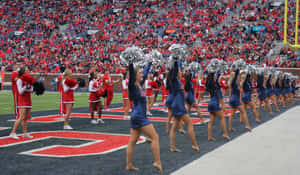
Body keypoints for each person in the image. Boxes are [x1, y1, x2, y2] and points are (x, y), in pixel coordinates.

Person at [126, 60, 162, 173]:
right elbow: (131, 74)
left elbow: (146, 73)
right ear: (135, 75)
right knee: (155, 137)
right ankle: (157, 161)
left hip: (137, 115)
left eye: (142, 73)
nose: (142, 75)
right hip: (139, 116)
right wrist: (131, 62)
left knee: (132, 141)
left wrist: (150, 63)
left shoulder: (139, 85)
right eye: (140, 73)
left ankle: (129, 165)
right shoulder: (132, 85)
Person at [169, 61, 199, 153]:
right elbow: (174, 70)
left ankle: (172, 147)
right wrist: (176, 60)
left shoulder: (178, 81)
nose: (181, 72)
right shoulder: (174, 81)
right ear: (177, 72)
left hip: (178, 105)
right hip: (179, 106)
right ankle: (194, 145)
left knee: (174, 127)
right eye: (180, 71)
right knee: (189, 124)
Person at [9, 66, 34, 139]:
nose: (28, 71)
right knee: (21, 117)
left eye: (28, 70)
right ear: (23, 72)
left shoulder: (29, 80)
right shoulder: (19, 80)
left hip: (28, 100)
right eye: (26, 70)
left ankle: (25, 133)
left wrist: (29, 86)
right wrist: (26, 86)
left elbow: (31, 91)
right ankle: (13, 132)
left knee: (25, 118)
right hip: (22, 100)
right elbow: (20, 91)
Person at [206, 72, 230, 141]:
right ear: (213, 77)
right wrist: (225, 112)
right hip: (215, 104)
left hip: (210, 103)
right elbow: (221, 101)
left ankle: (209, 136)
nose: (216, 76)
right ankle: (225, 133)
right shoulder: (217, 86)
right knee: (222, 118)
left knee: (211, 121)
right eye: (215, 75)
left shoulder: (210, 85)